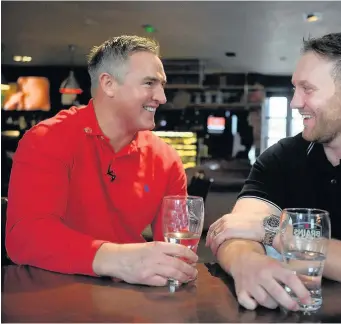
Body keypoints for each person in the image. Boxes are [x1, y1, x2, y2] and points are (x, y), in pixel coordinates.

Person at [206, 33, 341, 321]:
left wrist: (273, 230)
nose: (295, 103)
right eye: (295, 88)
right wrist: (245, 261)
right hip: (296, 312)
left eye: (307, 89)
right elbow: (234, 230)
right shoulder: (280, 158)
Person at [6, 35, 198, 286]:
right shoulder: (46, 139)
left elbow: (176, 250)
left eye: (161, 85)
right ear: (108, 84)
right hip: (52, 293)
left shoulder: (167, 159)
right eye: (149, 83)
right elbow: (25, 238)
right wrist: (121, 260)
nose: (162, 97)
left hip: (131, 298)